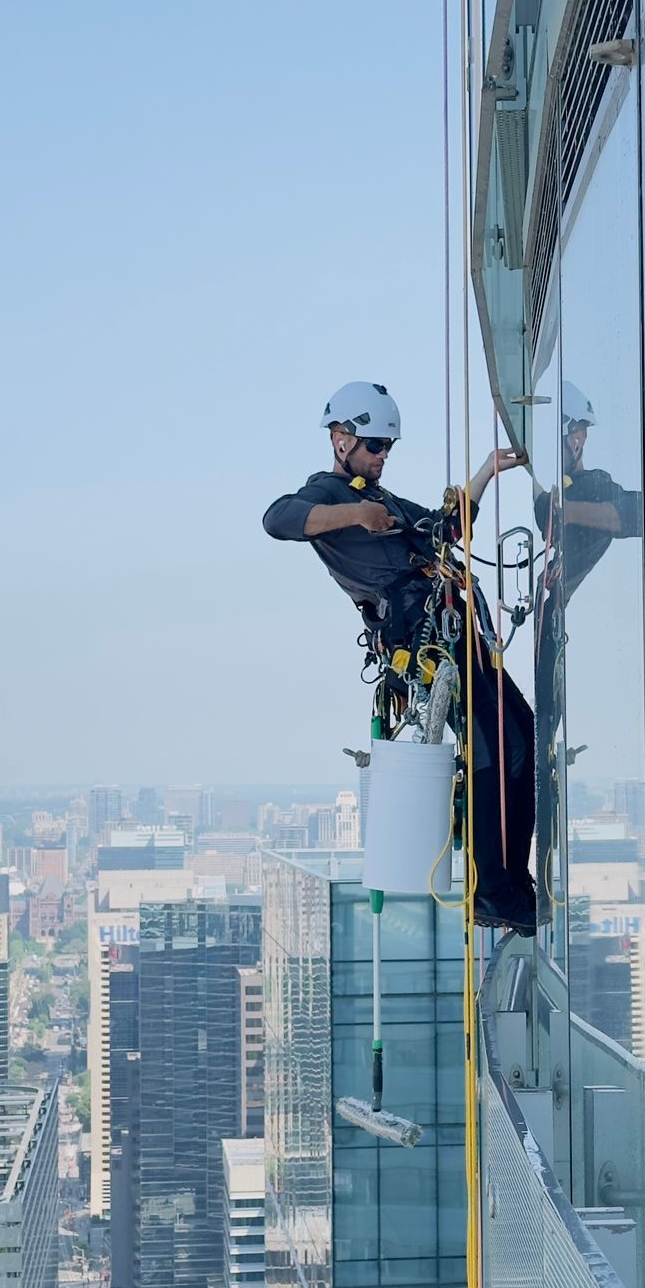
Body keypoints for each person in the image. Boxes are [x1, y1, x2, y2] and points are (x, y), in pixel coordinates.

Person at [263, 380, 536, 933]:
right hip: (424, 637)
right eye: (374, 446)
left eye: (389, 447)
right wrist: (354, 516)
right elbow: (277, 519)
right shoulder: (328, 494)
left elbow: (446, 530)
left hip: (450, 627)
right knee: (492, 743)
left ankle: (511, 879)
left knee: (520, 730)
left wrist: (484, 473)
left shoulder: (383, 500)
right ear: (341, 440)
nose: (383, 456)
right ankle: (494, 890)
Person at [533, 382, 643, 907]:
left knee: (537, 749)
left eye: (581, 431)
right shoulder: (535, 485)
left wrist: (569, 512)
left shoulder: (591, 486)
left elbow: (633, 516)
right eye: (577, 430)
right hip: (532, 630)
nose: (582, 439)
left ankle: (539, 876)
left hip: (550, 633)